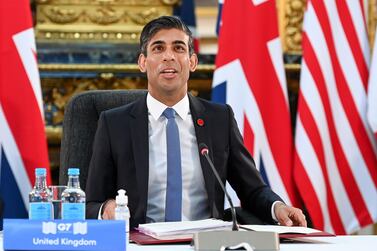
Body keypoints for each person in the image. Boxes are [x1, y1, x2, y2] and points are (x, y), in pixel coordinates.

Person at [85, 16, 307, 229]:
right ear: (142, 62)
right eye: (158, 48)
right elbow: (91, 203)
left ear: (192, 62)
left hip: (203, 242)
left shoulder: (219, 119)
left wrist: (277, 207)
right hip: (139, 242)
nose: (169, 56)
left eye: (179, 48)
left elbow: (252, 189)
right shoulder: (115, 123)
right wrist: (107, 208)